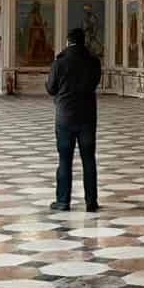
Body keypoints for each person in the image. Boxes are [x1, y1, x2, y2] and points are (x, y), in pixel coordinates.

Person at [46, 28, 102, 212]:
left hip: (65, 117)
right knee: (89, 160)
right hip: (87, 117)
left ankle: (63, 202)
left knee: (64, 160)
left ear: (68, 41)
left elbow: (51, 89)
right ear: (84, 42)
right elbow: (94, 83)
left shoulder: (59, 63)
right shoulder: (93, 62)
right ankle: (91, 202)